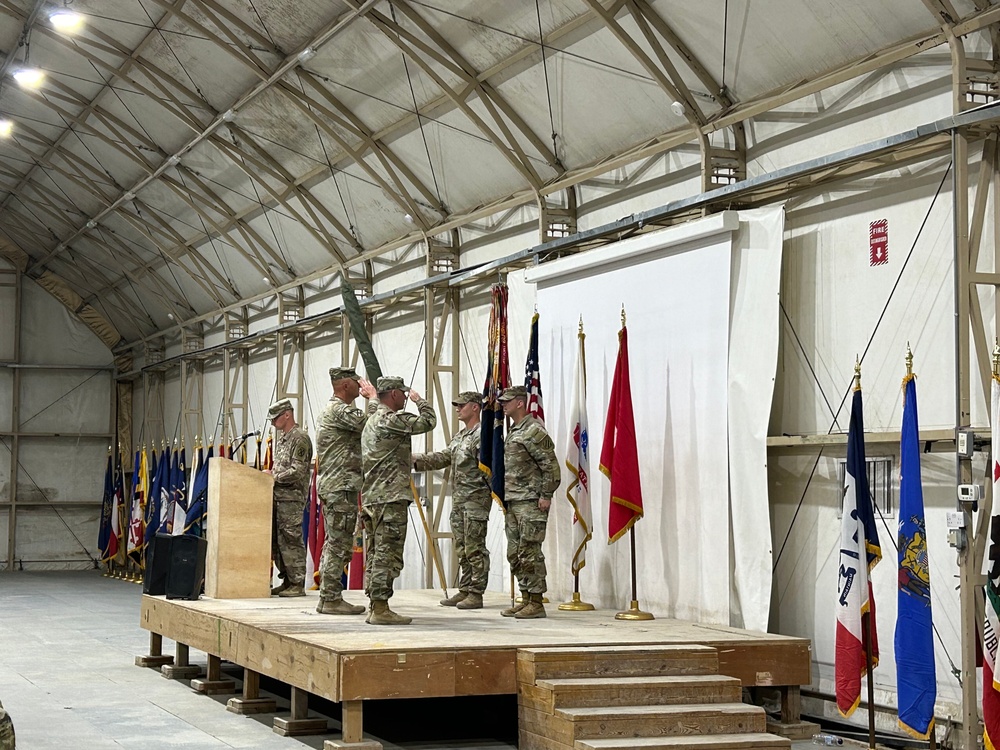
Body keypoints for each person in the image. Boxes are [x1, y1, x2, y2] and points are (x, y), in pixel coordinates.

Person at [361, 376, 437, 625]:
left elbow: (374, 407)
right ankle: (381, 608)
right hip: (390, 496)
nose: (406, 397)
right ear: (393, 394)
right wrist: (420, 401)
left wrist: (372, 398)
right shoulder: (392, 419)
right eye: (403, 394)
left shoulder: (373, 418)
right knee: (387, 553)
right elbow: (429, 421)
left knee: (375, 552)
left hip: (373, 497)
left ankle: (375, 604)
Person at [413, 391, 491, 610]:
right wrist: (416, 460)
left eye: (462, 405)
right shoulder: (460, 436)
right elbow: (445, 457)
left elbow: (490, 469)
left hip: (475, 500)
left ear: (475, 407)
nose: (458, 409)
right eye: (456, 405)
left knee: (475, 547)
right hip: (459, 500)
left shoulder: (481, 435)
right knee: (462, 547)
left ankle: (476, 593)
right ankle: (465, 589)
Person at [314, 367, 376, 615]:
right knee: (339, 543)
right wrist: (372, 398)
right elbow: (371, 426)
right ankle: (330, 598)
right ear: (346, 386)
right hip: (340, 486)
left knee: (335, 542)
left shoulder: (337, 410)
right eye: (356, 381)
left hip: (339, 485)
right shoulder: (340, 410)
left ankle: (328, 596)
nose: (361, 384)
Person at [498, 385, 560, 619]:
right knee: (514, 553)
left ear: (520, 403)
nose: (503, 405)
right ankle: (525, 597)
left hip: (531, 501)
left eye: (507, 401)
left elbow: (550, 466)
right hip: (514, 500)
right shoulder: (514, 430)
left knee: (530, 552)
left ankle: (536, 601)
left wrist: (546, 495)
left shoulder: (533, 430)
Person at [266, 398, 313, 598]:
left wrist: (273, 477)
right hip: (278, 497)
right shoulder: (284, 439)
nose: (273, 422)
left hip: (291, 499)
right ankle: (287, 579)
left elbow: (298, 470)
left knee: (291, 539)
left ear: (287, 414)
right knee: (278, 541)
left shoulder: (299, 438)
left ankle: (297, 582)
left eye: (275, 418)